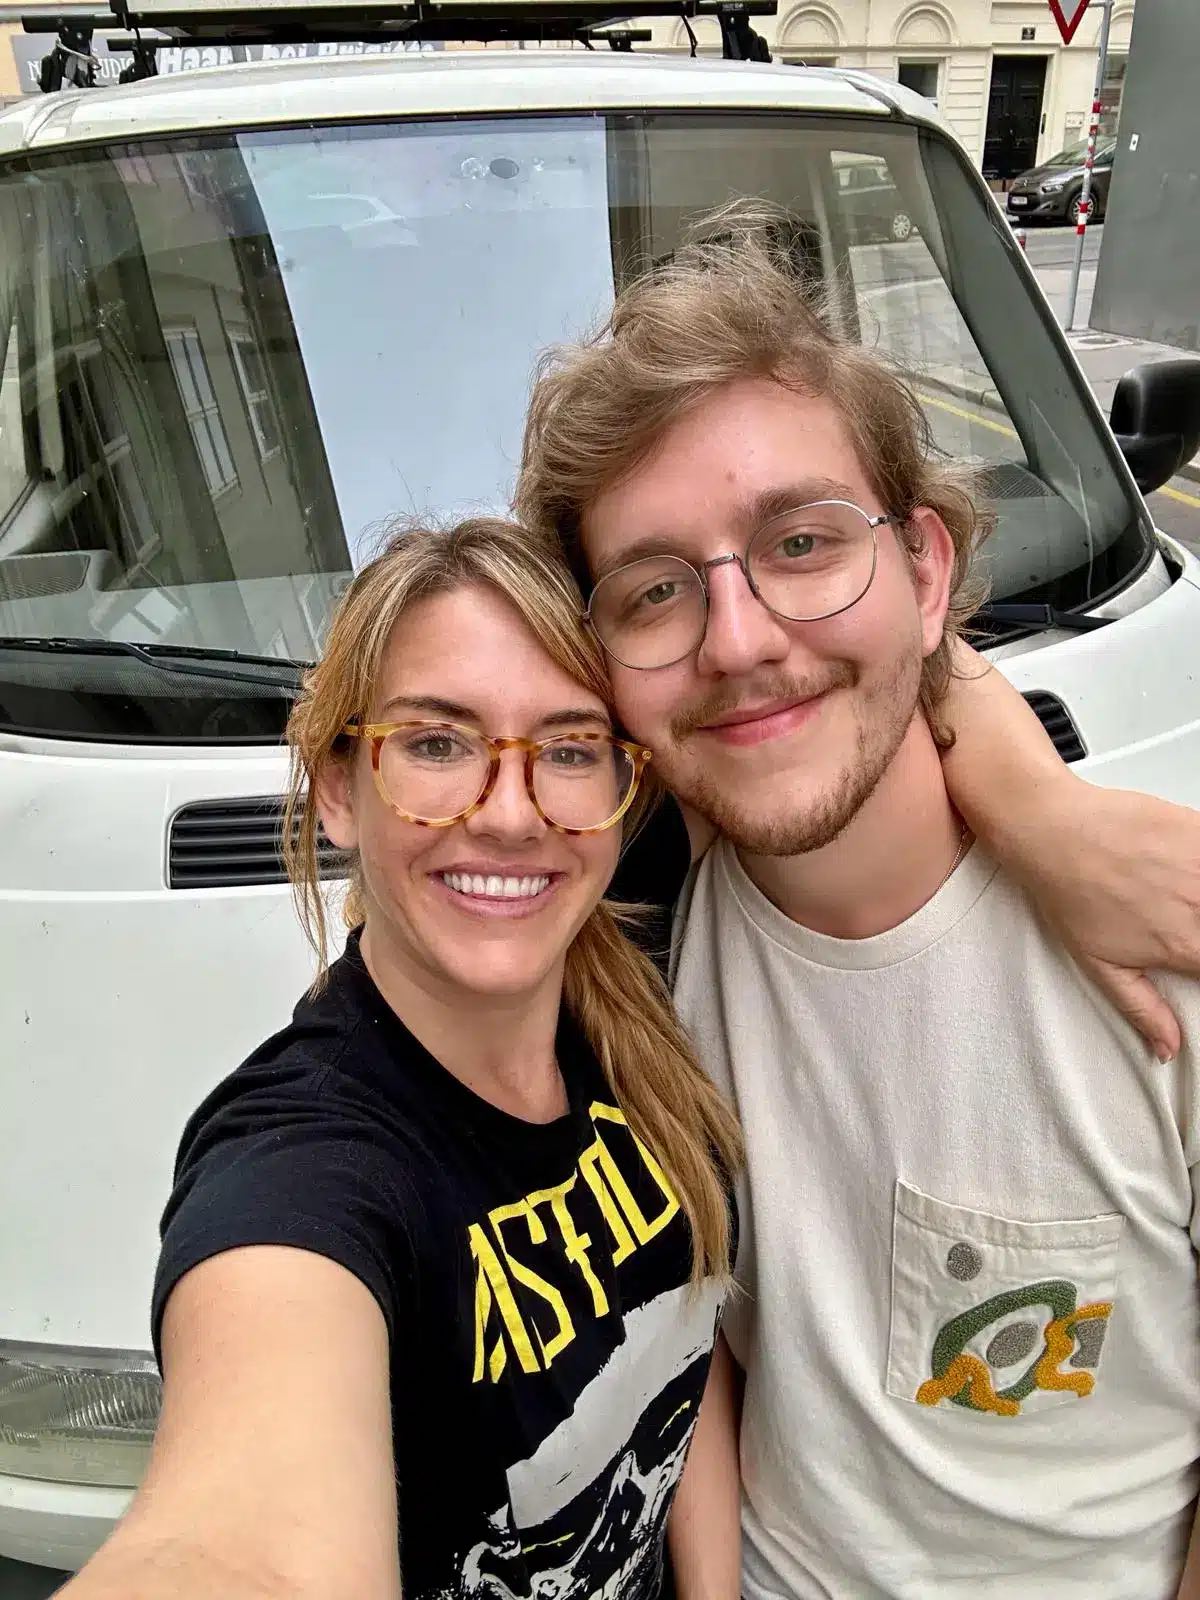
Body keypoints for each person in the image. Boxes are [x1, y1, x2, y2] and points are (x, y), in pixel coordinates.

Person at [517, 209, 1200, 1596]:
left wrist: (1041, 810)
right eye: (654, 591)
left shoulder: (1158, 936)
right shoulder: (613, 938)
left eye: (803, 542)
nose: (738, 640)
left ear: (929, 572)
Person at [59, 520, 744, 1600]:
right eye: (436, 744)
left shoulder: (615, 937)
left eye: (570, 748)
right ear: (339, 786)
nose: (511, 815)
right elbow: (242, 1544)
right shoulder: (307, 1166)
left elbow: (678, 1361)